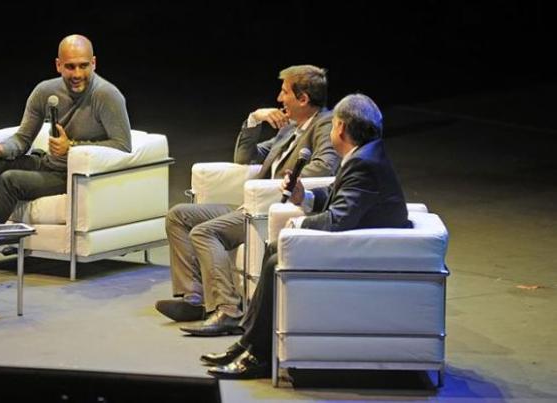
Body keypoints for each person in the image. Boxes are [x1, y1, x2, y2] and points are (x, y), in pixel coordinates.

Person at [202, 93, 411, 379]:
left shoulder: (364, 164)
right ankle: (250, 344)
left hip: (366, 253)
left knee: (278, 257)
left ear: (340, 128)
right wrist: (306, 196)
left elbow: (339, 219)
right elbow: (342, 199)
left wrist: (297, 226)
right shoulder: (365, 155)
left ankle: (256, 353)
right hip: (362, 242)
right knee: (274, 249)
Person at [0, 34, 132, 279]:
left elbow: (123, 146)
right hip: (49, 163)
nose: (77, 74)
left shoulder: (106, 96)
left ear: (94, 63)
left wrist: (73, 147)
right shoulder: (45, 91)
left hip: (73, 176)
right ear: (58, 65)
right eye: (70, 66)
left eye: (83, 65)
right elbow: (23, 138)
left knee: (11, 180)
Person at [156, 65, 340, 337]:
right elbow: (245, 158)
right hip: (253, 203)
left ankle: (228, 310)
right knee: (179, 215)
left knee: (205, 232)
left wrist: (276, 186)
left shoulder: (324, 125)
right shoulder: (290, 128)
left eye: (285, 92)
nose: (279, 99)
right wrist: (254, 119)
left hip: (271, 210)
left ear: (303, 99)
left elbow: (325, 166)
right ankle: (194, 298)